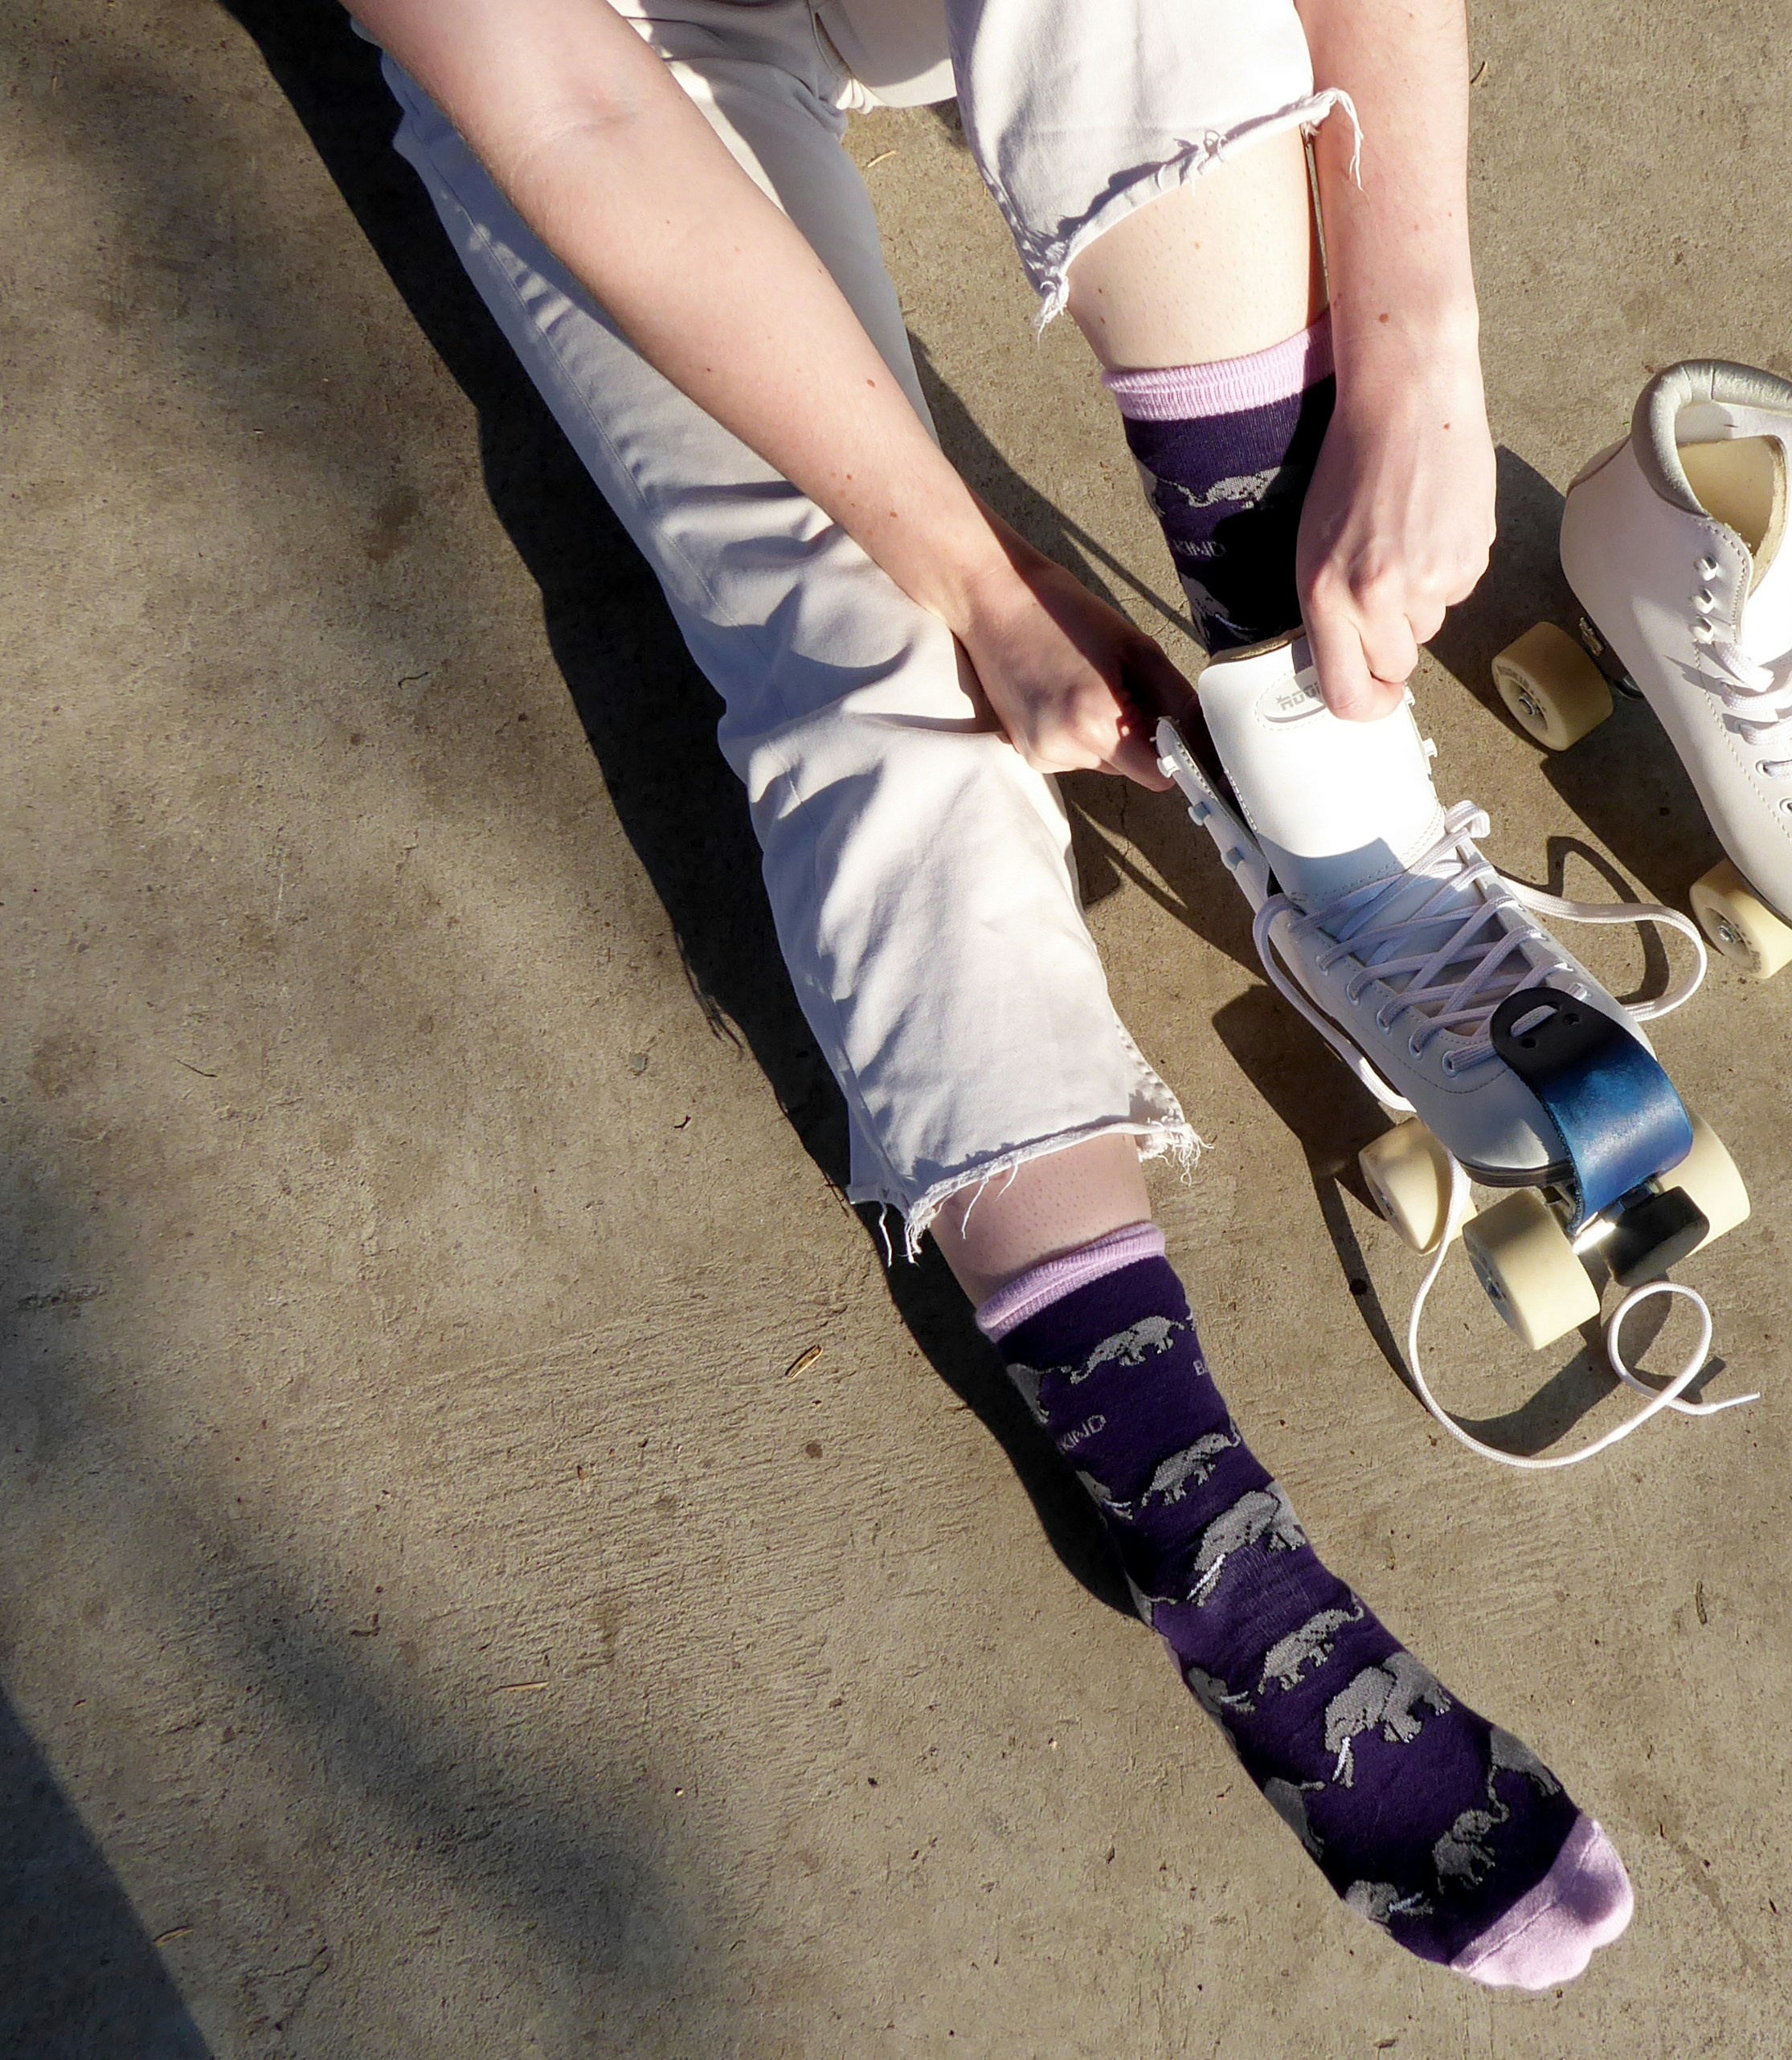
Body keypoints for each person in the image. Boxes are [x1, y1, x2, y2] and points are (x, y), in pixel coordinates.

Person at [344, 0, 1633, 1986]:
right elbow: (581, 105)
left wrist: (1417, 349)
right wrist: (971, 574)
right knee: (877, 667)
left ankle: (1326, 797)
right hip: (600, 45)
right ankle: (1190, 1525)